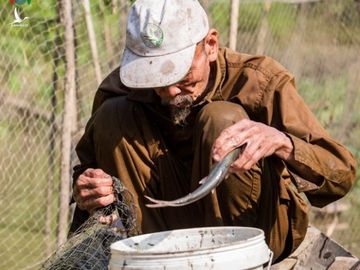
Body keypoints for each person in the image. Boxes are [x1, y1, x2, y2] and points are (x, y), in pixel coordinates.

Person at [70, 0, 356, 262]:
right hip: (159, 232)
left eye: (179, 73)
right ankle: (154, 261)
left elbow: (341, 174)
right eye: (156, 76)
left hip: (253, 235)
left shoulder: (259, 82)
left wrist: (281, 142)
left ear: (210, 45)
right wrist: (87, 188)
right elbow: (86, 172)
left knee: (222, 119)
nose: (169, 91)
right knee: (114, 116)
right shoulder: (120, 91)